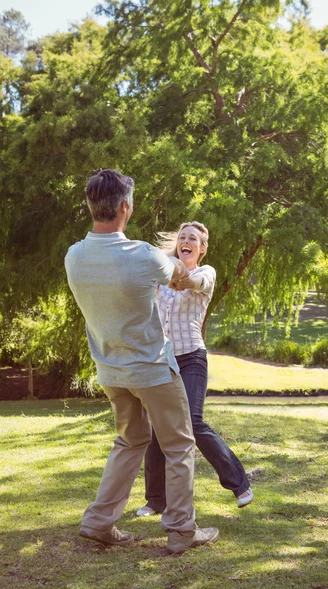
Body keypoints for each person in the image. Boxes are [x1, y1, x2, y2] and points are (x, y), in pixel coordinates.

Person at [64, 169, 219, 555]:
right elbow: (180, 276)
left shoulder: (74, 256)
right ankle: (182, 530)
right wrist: (185, 273)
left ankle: (99, 522)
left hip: (111, 371)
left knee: (130, 439)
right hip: (151, 369)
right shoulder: (143, 255)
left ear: (90, 205)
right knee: (180, 445)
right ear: (125, 207)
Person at [136, 221, 253, 518]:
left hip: (191, 358)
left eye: (193, 239)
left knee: (193, 420)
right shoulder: (159, 274)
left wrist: (177, 278)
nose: (185, 241)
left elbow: (194, 284)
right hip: (162, 359)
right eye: (182, 237)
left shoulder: (205, 272)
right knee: (155, 430)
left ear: (201, 249)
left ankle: (239, 485)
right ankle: (155, 501)